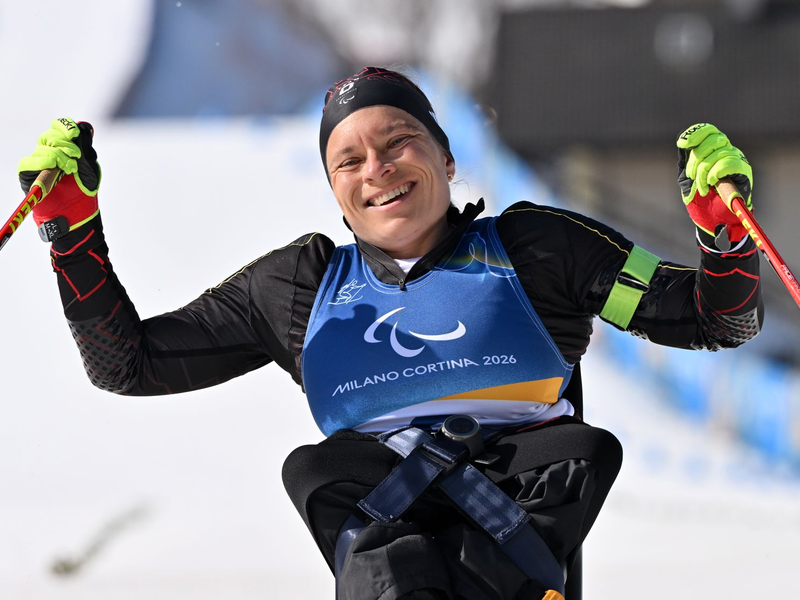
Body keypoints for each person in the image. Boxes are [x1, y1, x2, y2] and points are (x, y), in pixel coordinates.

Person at [17, 67, 762, 600]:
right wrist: (70, 234)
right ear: (337, 192)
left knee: (582, 449)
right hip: (380, 525)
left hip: (520, 521)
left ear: (445, 156)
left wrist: (728, 244)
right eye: (350, 158)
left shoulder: (540, 248)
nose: (378, 167)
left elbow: (715, 317)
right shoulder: (297, 287)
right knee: (316, 466)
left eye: (400, 141)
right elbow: (129, 364)